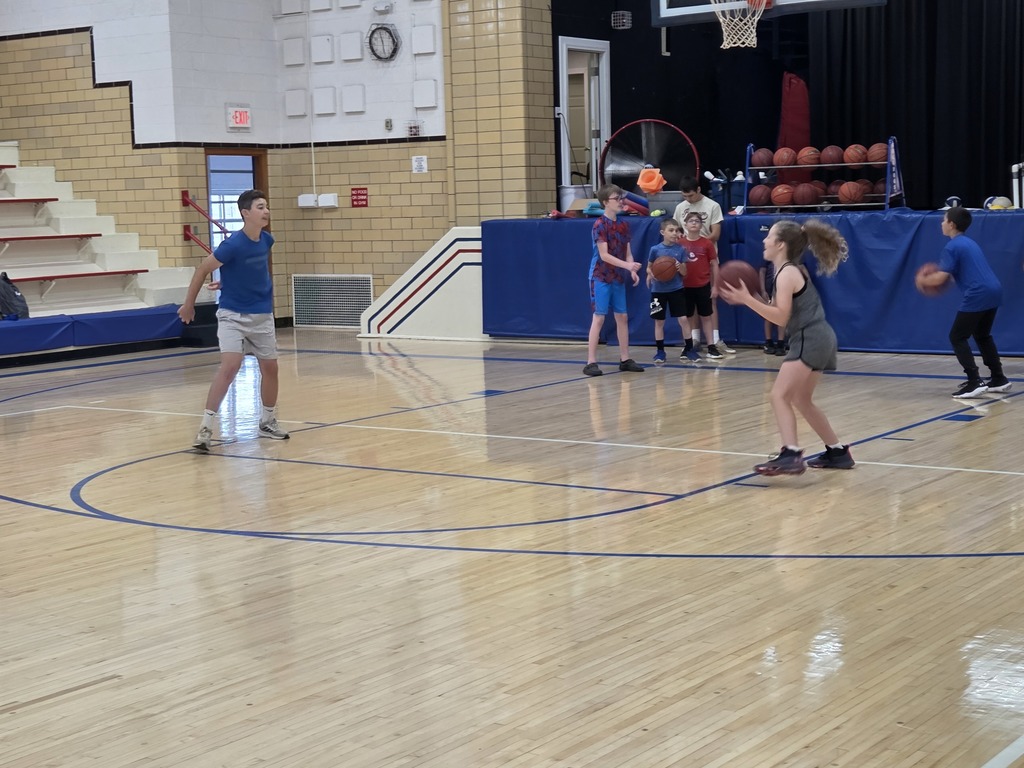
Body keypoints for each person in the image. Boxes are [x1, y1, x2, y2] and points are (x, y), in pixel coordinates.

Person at [718, 219, 854, 475]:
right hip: (819, 336)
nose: (764, 240)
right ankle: (838, 452)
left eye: (769, 236)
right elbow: (776, 311)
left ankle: (791, 454)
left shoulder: (788, 273)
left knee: (778, 396)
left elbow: (780, 318)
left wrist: (747, 300)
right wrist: (751, 298)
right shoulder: (785, 272)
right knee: (802, 400)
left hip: (809, 337)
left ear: (780, 244)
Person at [177, 189, 290, 450]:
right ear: (245, 213)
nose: (266, 211)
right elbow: (202, 269)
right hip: (233, 315)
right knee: (230, 366)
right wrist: (188, 304)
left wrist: (228, 280)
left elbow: (252, 269)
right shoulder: (232, 244)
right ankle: (205, 428)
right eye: (260, 207)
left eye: (267, 206)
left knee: (271, 368)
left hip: (262, 314)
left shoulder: (267, 240)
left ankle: (267, 421)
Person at [916, 206, 1010, 398]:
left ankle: (974, 381)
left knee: (957, 337)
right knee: (982, 335)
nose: (941, 223)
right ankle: (999, 378)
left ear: (951, 224)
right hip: (994, 289)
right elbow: (954, 275)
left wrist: (921, 280)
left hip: (979, 292)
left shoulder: (952, 246)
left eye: (944, 220)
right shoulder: (968, 243)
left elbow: (940, 278)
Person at [583, 184, 645, 376]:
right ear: (605, 202)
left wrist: (631, 269)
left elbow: (628, 253)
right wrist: (627, 266)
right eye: (616, 199)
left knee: (622, 317)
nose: (620, 201)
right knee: (599, 317)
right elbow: (604, 256)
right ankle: (591, 362)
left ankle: (625, 359)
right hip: (600, 275)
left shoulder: (624, 225)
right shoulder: (599, 225)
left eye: (621, 198)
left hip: (617, 276)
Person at [672, 176, 735, 354]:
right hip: (686, 261)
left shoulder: (712, 206)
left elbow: (716, 234)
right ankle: (695, 339)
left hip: (707, 258)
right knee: (690, 302)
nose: (688, 199)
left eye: (691, 195)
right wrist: (681, 239)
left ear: (699, 190)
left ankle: (715, 340)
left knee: (710, 300)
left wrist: (697, 241)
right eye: (685, 196)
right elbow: (677, 232)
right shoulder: (680, 207)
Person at [646, 217, 690, 364]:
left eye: (676, 230)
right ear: (662, 232)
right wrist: (651, 273)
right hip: (658, 291)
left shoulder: (680, 250)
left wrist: (679, 267)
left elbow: (685, 272)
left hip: (676, 289)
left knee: (683, 319)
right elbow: (648, 267)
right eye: (671, 230)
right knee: (659, 321)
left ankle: (689, 349)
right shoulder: (655, 249)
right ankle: (660, 351)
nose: (674, 233)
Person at [679, 210, 720, 360]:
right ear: (685, 225)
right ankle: (688, 347)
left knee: (706, 316)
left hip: (703, 284)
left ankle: (711, 347)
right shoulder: (680, 243)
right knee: (687, 317)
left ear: (701, 225)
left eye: (697, 221)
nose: (694, 223)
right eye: (691, 221)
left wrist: (715, 286)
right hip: (685, 286)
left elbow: (714, 265)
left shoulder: (707, 243)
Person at [759, 257, 786, 355]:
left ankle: (781, 343)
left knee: (782, 316)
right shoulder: (769, 255)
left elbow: (800, 267)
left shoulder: (789, 256)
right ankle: (768, 342)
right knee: (768, 316)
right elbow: (762, 271)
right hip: (770, 290)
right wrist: (763, 290)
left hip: (783, 290)